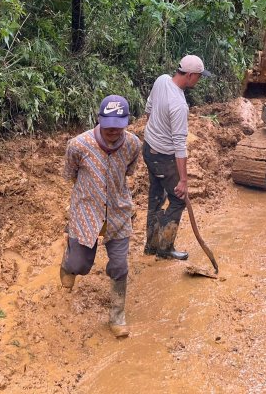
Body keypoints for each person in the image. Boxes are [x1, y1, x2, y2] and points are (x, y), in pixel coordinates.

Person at [60, 95, 141, 338]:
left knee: (119, 265)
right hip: (86, 212)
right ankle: (67, 264)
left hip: (118, 212)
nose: (113, 130)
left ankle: (117, 316)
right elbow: (70, 174)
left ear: (126, 122)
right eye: (109, 125)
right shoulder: (78, 145)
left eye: (119, 125)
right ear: (99, 119)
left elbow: (129, 171)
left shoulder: (133, 145)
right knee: (80, 265)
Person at [143, 55, 213, 261]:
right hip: (163, 157)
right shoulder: (179, 106)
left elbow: (149, 108)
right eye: (198, 77)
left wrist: (155, 133)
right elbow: (179, 146)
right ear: (190, 75)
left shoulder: (161, 79)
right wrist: (183, 180)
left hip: (148, 149)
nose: (198, 81)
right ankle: (165, 248)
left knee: (156, 196)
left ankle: (151, 246)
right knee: (177, 199)